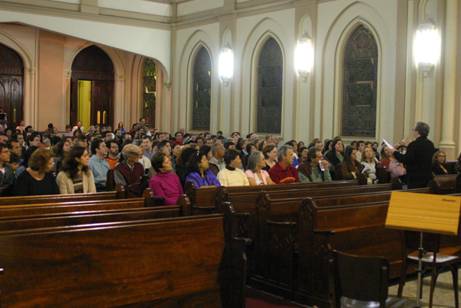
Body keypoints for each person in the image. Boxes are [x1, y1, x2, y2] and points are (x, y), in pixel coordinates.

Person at [392, 122, 435, 188]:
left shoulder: (414, 144)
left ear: (417, 132)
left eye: (413, 129)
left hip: (415, 178)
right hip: (427, 177)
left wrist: (394, 152)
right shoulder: (430, 144)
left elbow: (405, 159)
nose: (413, 131)